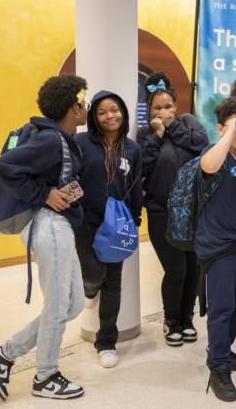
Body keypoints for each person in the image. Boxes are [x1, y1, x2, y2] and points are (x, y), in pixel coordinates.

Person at [0, 75, 88, 400]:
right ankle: (46, 377)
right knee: (58, 305)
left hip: (57, 226)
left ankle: (5, 354)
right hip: (48, 227)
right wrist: (44, 194)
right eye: (83, 100)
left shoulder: (57, 138)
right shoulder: (50, 141)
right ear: (74, 106)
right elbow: (1, 168)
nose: (87, 106)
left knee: (73, 304)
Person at [137, 72, 209, 346]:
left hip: (192, 212)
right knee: (176, 268)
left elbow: (201, 147)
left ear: (176, 108)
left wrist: (173, 128)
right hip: (160, 212)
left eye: (168, 106)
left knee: (192, 268)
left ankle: (186, 319)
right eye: (158, 108)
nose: (164, 112)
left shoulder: (189, 125)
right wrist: (157, 135)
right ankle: (171, 320)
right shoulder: (145, 134)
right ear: (149, 110)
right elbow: (142, 166)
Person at [73, 90, 143, 368]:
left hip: (117, 226)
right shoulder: (79, 142)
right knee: (93, 273)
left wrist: (135, 220)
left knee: (113, 283)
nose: (110, 116)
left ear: (123, 113)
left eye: (115, 110)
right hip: (84, 221)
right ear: (93, 116)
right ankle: (90, 290)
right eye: (102, 112)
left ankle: (106, 343)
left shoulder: (133, 149)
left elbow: (135, 186)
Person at [199, 97, 236, 402]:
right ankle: (218, 367)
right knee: (221, 309)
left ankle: (223, 350)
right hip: (219, 247)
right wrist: (228, 134)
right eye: (235, 125)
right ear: (220, 128)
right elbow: (208, 166)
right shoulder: (216, 155)